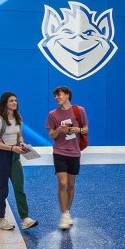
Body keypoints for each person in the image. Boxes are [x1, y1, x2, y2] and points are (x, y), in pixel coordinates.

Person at [0, 91, 36, 230]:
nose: (14, 103)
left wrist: (21, 143)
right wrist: (11, 148)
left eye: (15, 100)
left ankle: (25, 218)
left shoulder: (18, 118)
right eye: (11, 101)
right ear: (5, 103)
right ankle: (1, 219)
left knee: (19, 187)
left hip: (15, 157)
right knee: (2, 189)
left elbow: (19, 136)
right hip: (1, 157)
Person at [46, 86, 88, 230]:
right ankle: (63, 214)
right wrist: (58, 130)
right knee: (62, 183)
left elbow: (86, 128)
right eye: (55, 96)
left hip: (74, 152)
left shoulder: (79, 111)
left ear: (67, 95)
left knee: (71, 184)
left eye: (59, 95)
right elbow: (51, 135)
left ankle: (67, 212)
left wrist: (78, 130)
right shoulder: (52, 114)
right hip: (59, 152)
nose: (57, 98)